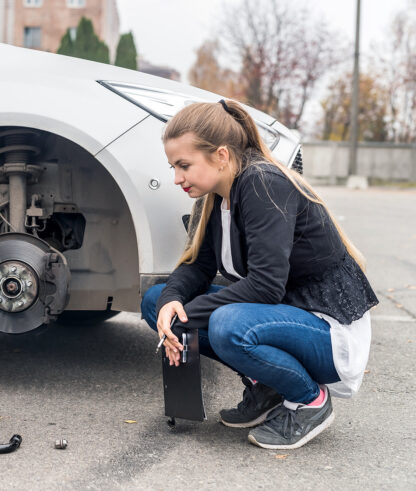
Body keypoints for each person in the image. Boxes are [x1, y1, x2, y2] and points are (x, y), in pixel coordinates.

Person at [141, 99, 378, 450]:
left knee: (226, 323)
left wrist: (187, 314)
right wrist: (173, 302)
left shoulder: (263, 184)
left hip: (327, 332)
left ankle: (309, 401)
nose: (177, 178)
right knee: (155, 301)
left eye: (184, 165)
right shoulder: (215, 196)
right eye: (174, 166)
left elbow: (266, 286)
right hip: (279, 318)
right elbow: (198, 266)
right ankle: (267, 388)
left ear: (221, 156)